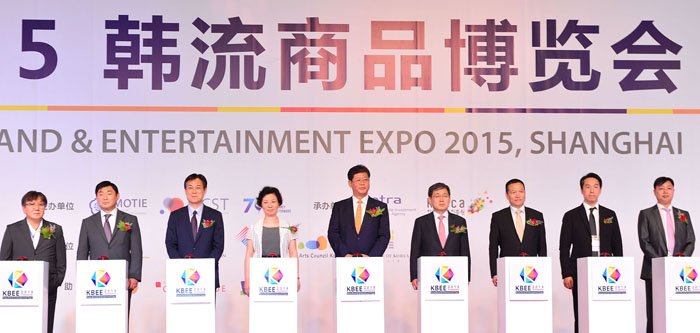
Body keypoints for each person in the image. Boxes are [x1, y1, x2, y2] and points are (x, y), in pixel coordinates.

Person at [559, 172, 623, 333]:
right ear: (582, 190)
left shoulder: (610, 215)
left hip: (606, 271)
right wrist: (566, 273)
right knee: (582, 312)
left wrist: (620, 269)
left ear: (601, 190)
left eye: (595, 187)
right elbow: (564, 247)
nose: (592, 191)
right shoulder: (571, 216)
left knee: (605, 312)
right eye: (588, 187)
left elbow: (617, 245)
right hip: (580, 271)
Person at [0, 191, 66, 333]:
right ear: (24, 208)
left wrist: (56, 281)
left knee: (45, 326)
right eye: (31, 204)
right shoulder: (12, 229)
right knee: (21, 326)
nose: (37, 208)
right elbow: (4, 260)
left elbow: (61, 259)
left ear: (45, 207)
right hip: (19, 288)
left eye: (41, 204)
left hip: (48, 287)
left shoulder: (56, 229)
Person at [638, 176, 695, 333]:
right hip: (654, 270)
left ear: (673, 191)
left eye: (669, 188)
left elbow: (691, 240)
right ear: (655, 192)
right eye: (661, 188)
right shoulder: (646, 214)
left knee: (677, 311)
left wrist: (680, 262)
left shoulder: (683, 214)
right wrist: (661, 262)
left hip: (679, 271)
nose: (665, 192)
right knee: (655, 312)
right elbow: (644, 241)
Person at [77, 181, 142, 314]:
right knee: (98, 316)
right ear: (96, 198)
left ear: (117, 196)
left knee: (120, 316)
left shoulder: (130, 219)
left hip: (123, 278)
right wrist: (83, 277)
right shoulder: (88, 222)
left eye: (109, 193)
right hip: (95, 280)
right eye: (100, 194)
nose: (105, 197)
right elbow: (82, 253)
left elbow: (136, 250)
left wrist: (133, 275)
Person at [165, 173, 225, 290]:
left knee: (206, 309)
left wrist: (205, 267)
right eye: (190, 187)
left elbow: (218, 245)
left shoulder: (215, 215)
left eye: (198, 187)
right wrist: (182, 266)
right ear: (185, 190)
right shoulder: (175, 216)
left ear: (205, 190)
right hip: (181, 276)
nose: (194, 191)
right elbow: (170, 244)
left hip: (208, 275)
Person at [409, 182, 470, 290]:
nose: (441, 199)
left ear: (449, 198)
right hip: (428, 274)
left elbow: (465, 250)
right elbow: (415, 251)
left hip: (454, 274)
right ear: (429, 200)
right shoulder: (421, 222)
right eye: (437, 196)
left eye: (445, 196)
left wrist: (467, 275)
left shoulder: (460, 221)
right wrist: (414, 275)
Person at [489, 179, 546, 287]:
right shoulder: (498, 217)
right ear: (507, 195)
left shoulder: (537, 216)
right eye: (513, 192)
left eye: (521, 191)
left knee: (531, 301)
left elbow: (542, 246)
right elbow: (493, 247)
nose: (518, 195)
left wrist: (543, 269)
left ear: (525, 193)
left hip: (532, 270)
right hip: (508, 269)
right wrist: (495, 272)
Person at [243, 186, 300, 295]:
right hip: (260, 273)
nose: (270, 205)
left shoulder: (289, 226)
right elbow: (249, 253)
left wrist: (296, 277)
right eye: (266, 202)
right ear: (261, 205)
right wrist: (247, 279)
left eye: (273, 201)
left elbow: (293, 252)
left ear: (279, 203)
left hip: (283, 273)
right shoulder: (254, 227)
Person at [327, 164, 390, 257]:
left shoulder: (380, 207)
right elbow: (333, 233)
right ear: (350, 183)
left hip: (371, 261)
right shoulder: (339, 207)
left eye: (365, 180)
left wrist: (372, 256)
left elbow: (384, 235)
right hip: (345, 260)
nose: (362, 183)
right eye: (358, 180)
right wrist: (345, 254)